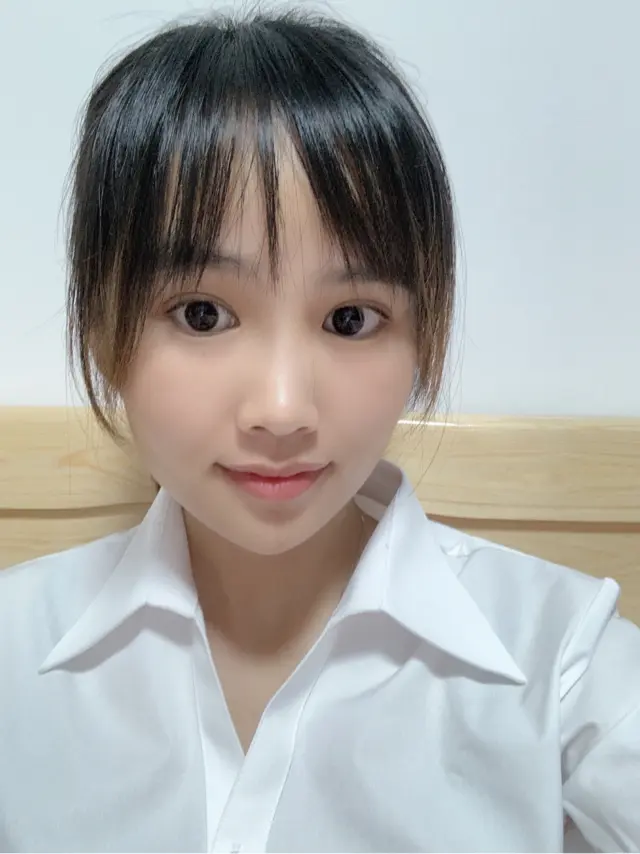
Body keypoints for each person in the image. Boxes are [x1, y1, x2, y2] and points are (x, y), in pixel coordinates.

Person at [1, 7, 638, 852]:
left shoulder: (563, 659)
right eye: (202, 313)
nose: (282, 409)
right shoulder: (14, 648)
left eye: (350, 319)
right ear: (101, 331)